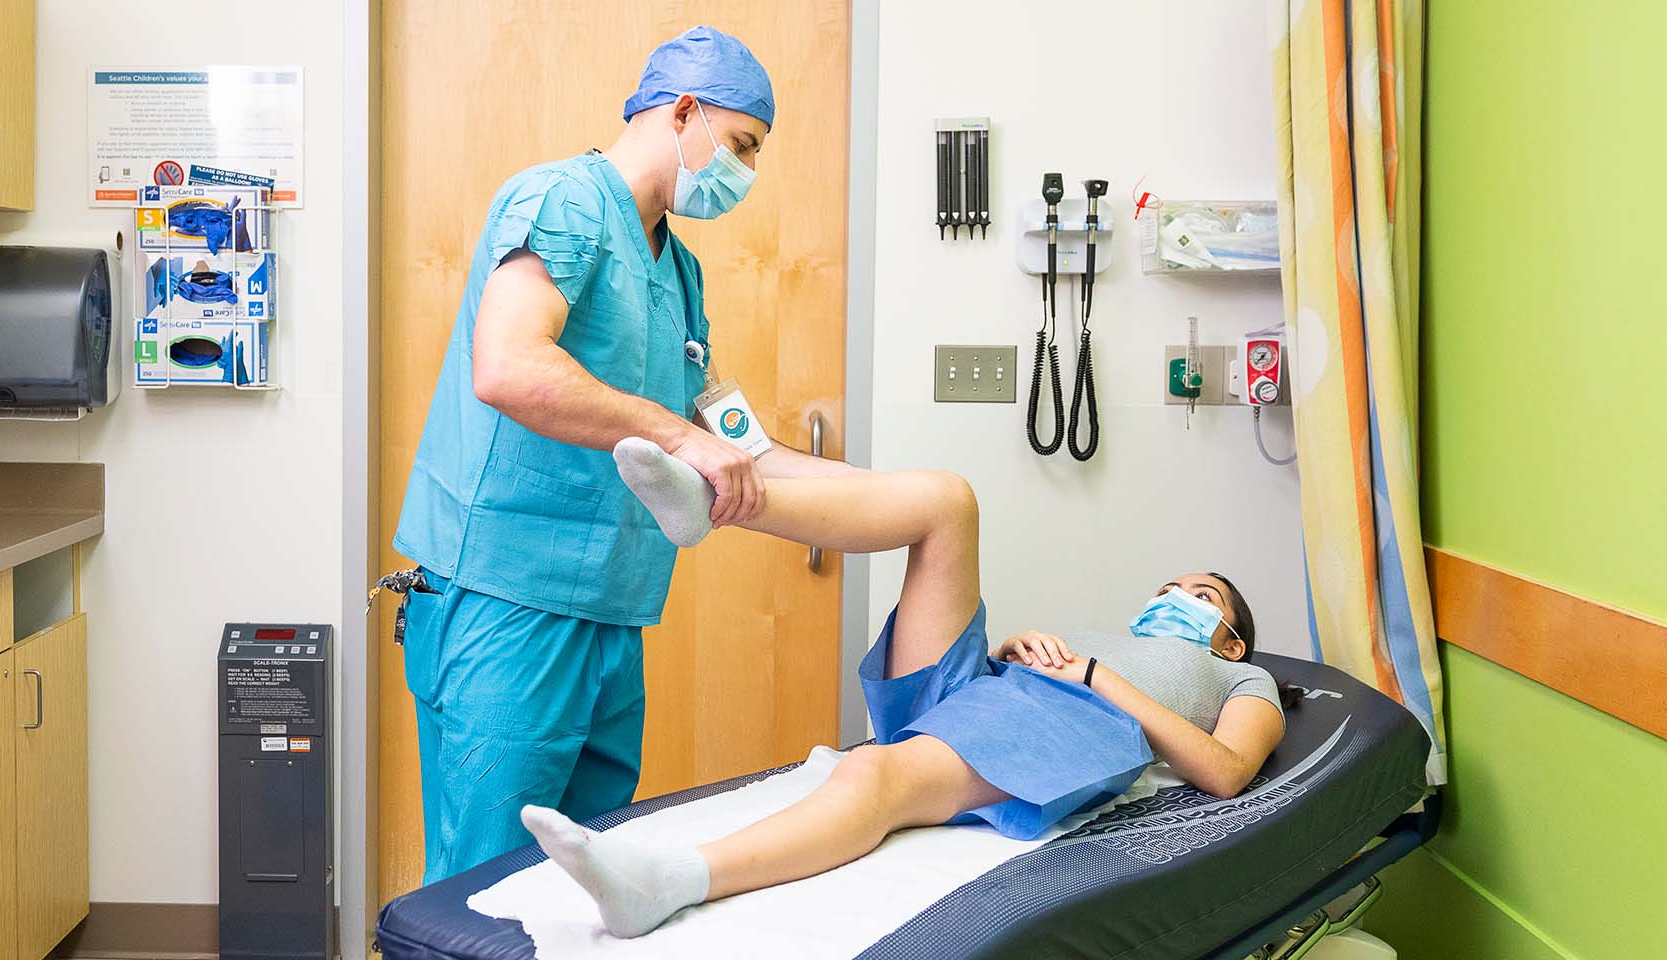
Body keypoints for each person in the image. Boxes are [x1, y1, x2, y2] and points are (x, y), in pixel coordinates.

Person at [387, 26, 854, 883]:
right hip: (509, 598)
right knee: (484, 885)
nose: (745, 173)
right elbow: (508, 364)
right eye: (743, 145)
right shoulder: (561, 201)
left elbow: (720, 425)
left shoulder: (678, 269)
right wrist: (678, 436)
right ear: (684, 112)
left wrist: (864, 492)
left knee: (583, 881)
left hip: (612, 608)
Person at [516, 438, 1290, 938]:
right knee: (947, 501)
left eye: (1200, 595)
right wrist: (1022, 645)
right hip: (993, 685)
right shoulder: (1112, 638)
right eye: (1168, 584)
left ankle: (673, 881)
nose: (1172, 595)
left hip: (1064, 731)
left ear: (1231, 635)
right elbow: (1031, 668)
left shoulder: (1239, 674)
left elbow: (1225, 773)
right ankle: (715, 504)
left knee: (873, 772)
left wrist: (1095, 677)